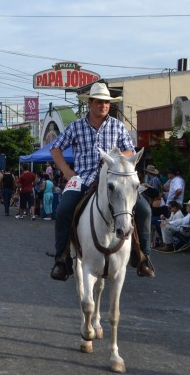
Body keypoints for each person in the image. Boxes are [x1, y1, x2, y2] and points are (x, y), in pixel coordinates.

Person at [49, 83, 155, 280]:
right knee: (63, 210)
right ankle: (61, 260)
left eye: (106, 102)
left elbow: (130, 150)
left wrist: (115, 159)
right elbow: (55, 148)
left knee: (144, 210)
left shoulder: (117, 125)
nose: (103, 106)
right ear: (90, 103)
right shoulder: (76, 126)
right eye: (99, 102)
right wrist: (67, 171)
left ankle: (142, 256)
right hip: (84, 179)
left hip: (114, 180)